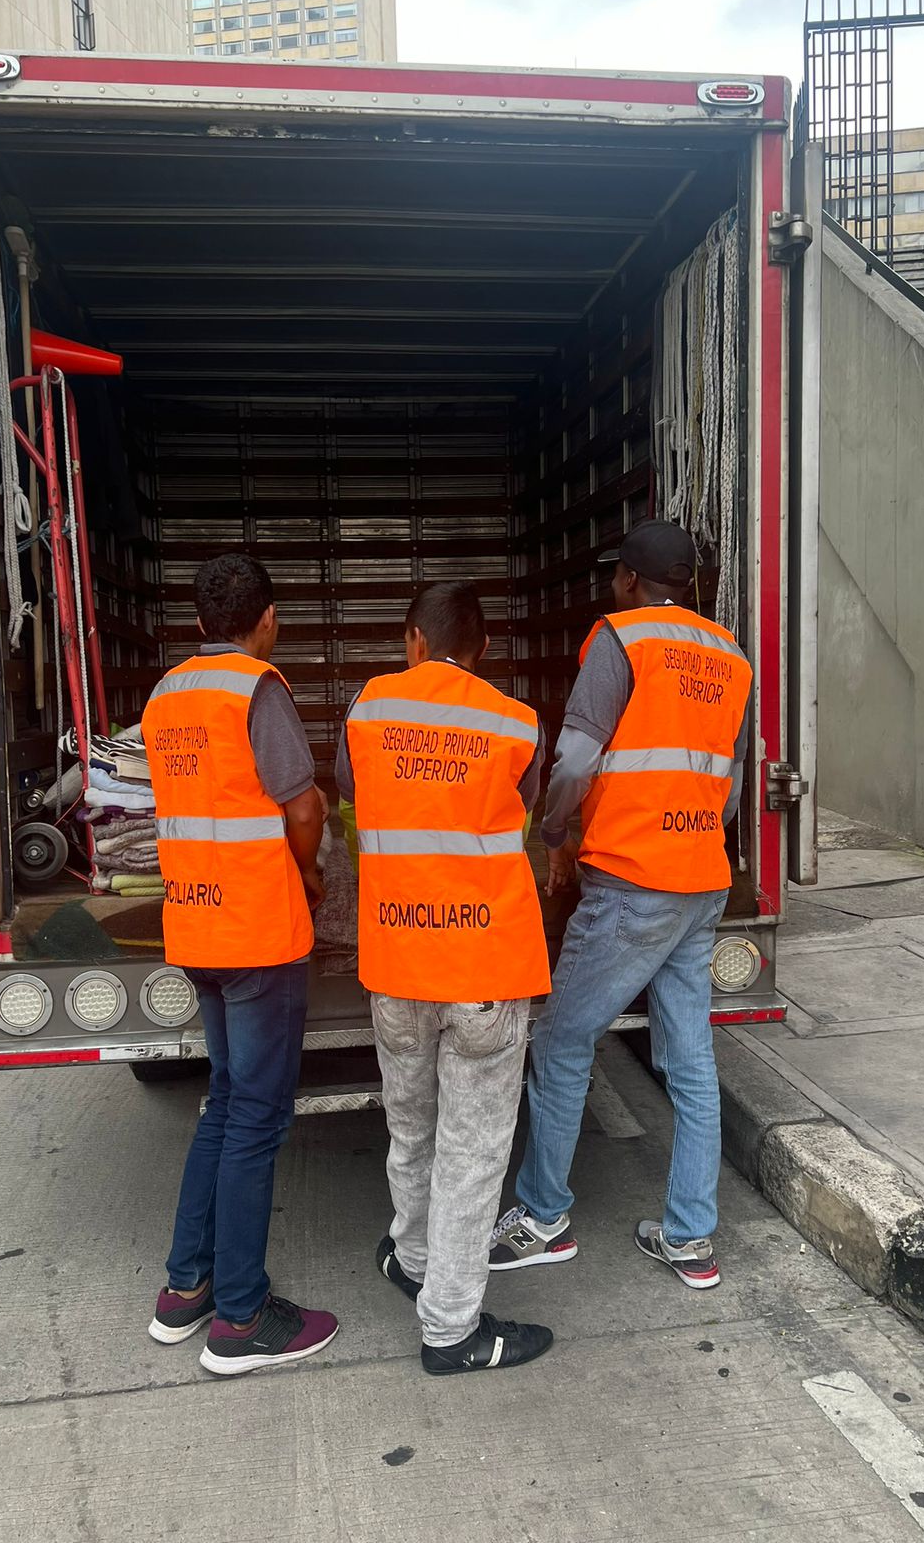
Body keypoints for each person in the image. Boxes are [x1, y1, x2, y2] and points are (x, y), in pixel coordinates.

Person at [489, 521, 753, 1290]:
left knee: (561, 1039)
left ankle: (543, 1217)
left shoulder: (621, 640)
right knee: (691, 1062)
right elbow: (731, 786)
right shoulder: (731, 656)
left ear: (631, 580)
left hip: (632, 880)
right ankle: (690, 1239)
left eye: (616, 576)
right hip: (700, 880)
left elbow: (576, 758)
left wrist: (555, 830)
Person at [336, 582, 554, 1375]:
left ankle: (414, 1259)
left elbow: (353, 794)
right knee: (473, 1152)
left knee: (412, 1127)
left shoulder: (369, 710)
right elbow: (523, 812)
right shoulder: (515, 722)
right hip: (484, 968)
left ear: (413, 641)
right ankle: (452, 1329)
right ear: (483, 649)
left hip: (398, 961)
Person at [143, 553, 338, 1375]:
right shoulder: (256, 688)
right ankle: (241, 1318)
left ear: (198, 623)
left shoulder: (165, 695)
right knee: (256, 1120)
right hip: (257, 933)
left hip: (195, 926)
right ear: (268, 620)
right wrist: (313, 874)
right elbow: (302, 804)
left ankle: (186, 1287)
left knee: (225, 1105)